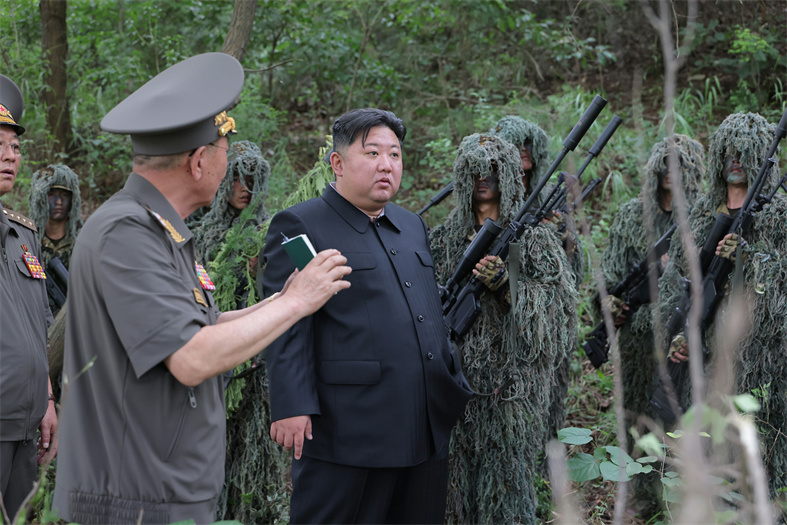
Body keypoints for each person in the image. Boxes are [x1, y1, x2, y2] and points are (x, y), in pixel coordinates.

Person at [52, 53, 351, 525]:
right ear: (198, 161)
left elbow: (204, 326)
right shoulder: (127, 232)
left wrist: (284, 298)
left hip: (161, 491)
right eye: (224, 151)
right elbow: (191, 357)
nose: (227, 166)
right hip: (134, 499)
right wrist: (296, 303)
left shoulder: (162, 229)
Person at [261, 107, 473, 524]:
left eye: (394, 154)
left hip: (424, 421)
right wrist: (291, 404)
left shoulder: (410, 225)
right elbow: (286, 321)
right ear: (338, 163)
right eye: (372, 153)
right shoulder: (300, 225)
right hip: (348, 428)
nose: (386, 165)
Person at [430, 134, 578, 524]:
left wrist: (507, 287)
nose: (483, 176)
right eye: (474, 169)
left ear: (510, 175)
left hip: (511, 390)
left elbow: (559, 314)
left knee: (506, 491)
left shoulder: (534, 239)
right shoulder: (441, 240)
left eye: (493, 168)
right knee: (452, 493)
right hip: (451, 386)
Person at [657, 113, 787, 498]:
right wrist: (676, 334)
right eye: (728, 151)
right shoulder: (701, 213)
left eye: (744, 151)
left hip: (757, 364)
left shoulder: (779, 214)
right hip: (699, 362)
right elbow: (674, 282)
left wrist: (750, 259)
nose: (735, 159)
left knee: (753, 465)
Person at [0, 74, 58, 520]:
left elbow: (40, 324)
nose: (9, 156)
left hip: (26, 424)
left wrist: (48, 401)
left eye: (15, 147)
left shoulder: (24, 235)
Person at [28, 163, 83, 315]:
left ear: (72, 200)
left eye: (65, 195)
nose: (59, 201)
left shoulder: (83, 241)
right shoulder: (28, 241)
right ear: (40, 198)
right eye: (52, 194)